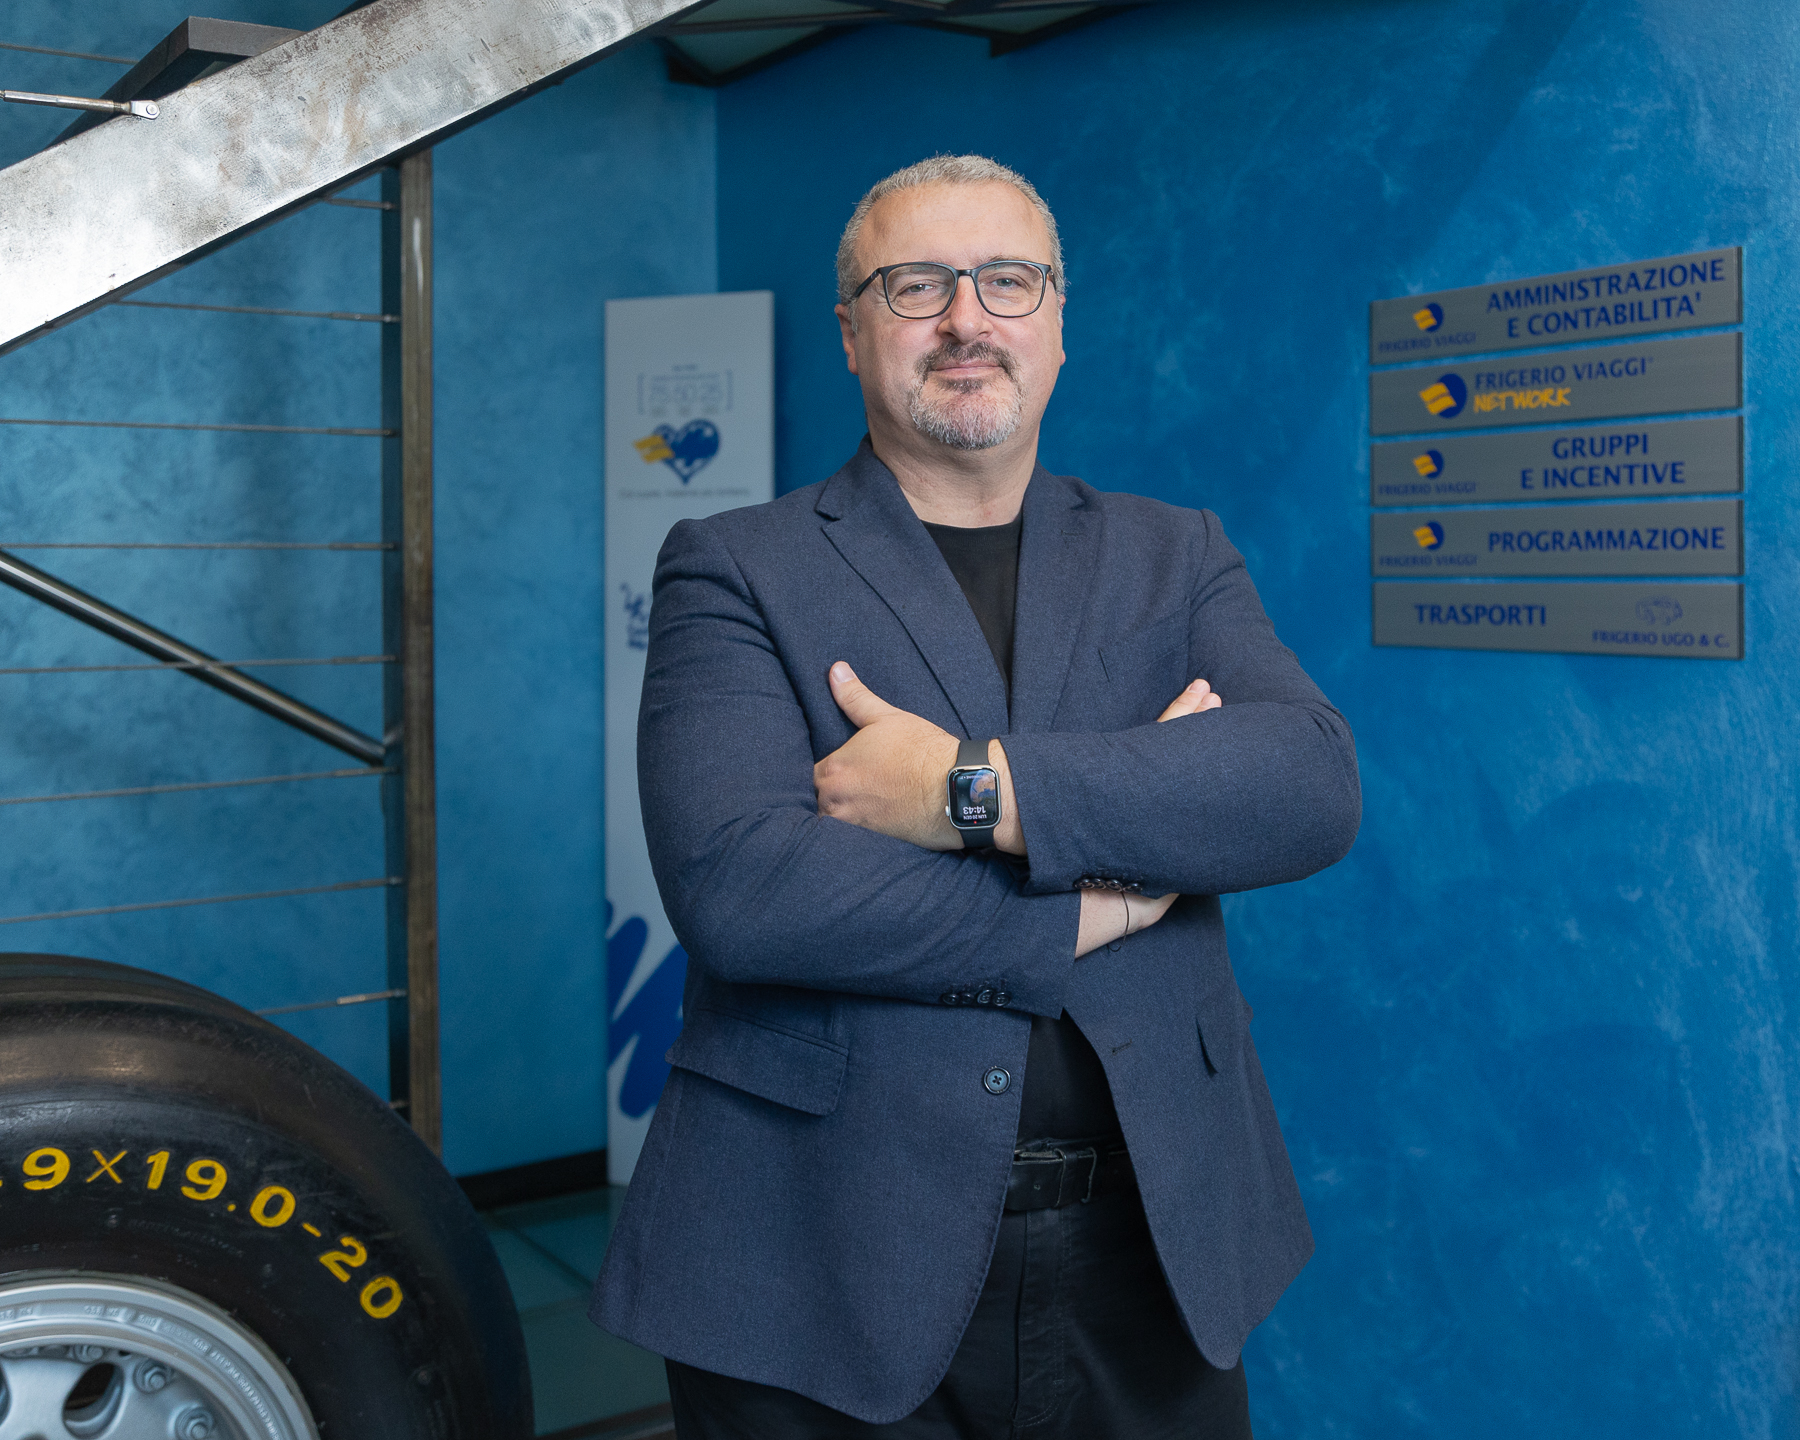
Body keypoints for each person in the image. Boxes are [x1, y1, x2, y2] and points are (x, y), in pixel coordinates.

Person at [591, 155, 1360, 1438]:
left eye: (1007, 281)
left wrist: (968, 790)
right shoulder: (734, 568)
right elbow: (745, 892)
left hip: (1155, 1250)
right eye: (915, 285)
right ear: (852, 333)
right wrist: (1102, 905)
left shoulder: (1176, 554)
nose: (965, 318)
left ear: (1057, 322)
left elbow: (1306, 786)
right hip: (815, 1260)